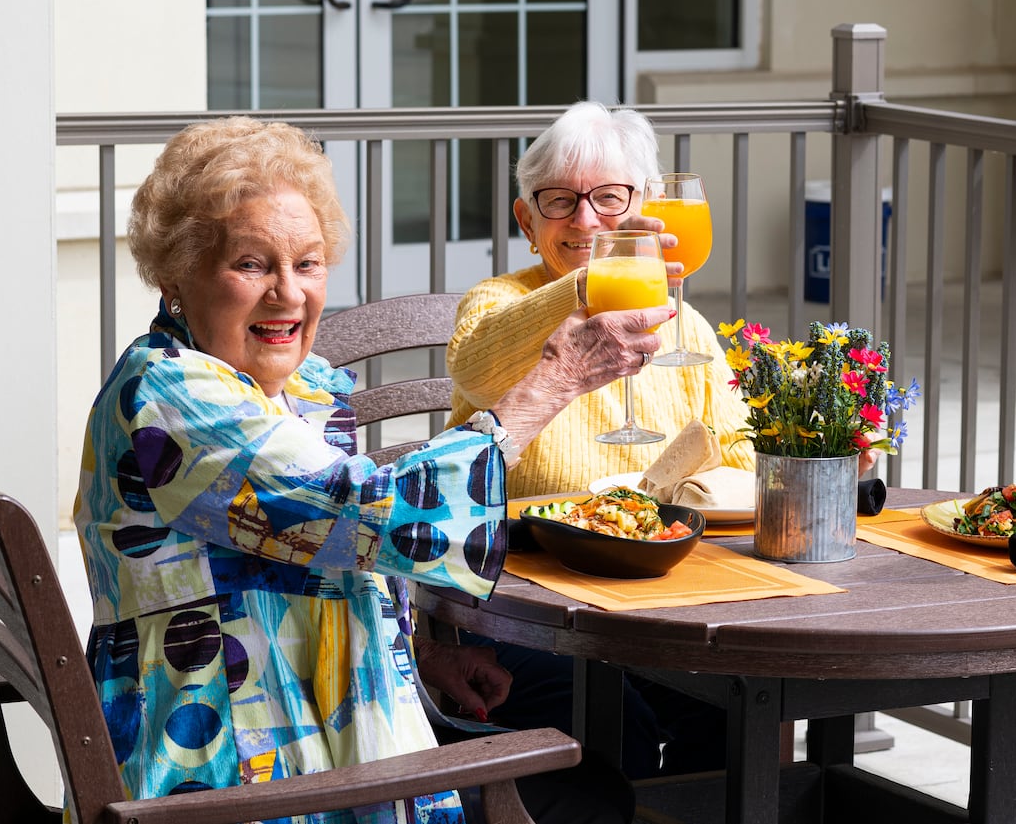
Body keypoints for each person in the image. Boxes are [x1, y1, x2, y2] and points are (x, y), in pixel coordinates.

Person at [75, 116, 666, 824]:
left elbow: (316, 547)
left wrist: (419, 652)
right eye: (252, 263)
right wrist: (548, 385)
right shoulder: (174, 399)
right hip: (238, 778)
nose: (288, 294)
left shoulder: (276, 388)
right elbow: (365, 509)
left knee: (615, 744)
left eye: (308, 261)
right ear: (177, 273)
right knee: (590, 790)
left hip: (301, 725)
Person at [446, 100, 755, 499]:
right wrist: (595, 281)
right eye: (559, 200)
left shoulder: (685, 323)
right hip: (528, 543)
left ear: (647, 207)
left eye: (609, 197)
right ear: (527, 222)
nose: (585, 219)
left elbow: (739, 458)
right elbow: (476, 372)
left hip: (660, 543)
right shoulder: (496, 298)